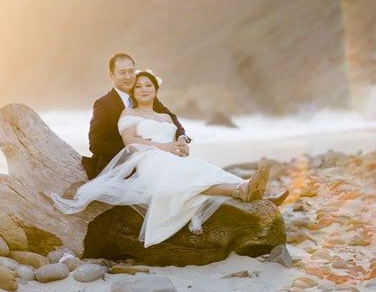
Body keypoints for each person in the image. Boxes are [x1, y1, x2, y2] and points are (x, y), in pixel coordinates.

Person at [52, 70, 275, 248]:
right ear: (133, 93)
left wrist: (182, 144)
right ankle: (241, 190)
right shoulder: (129, 114)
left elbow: (179, 132)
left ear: (155, 89)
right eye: (138, 86)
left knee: (203, 168)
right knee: (190, 174)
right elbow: (131, 143)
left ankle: (254, 193)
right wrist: (165, 147)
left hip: (172, 159)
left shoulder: (165, 115)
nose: (143, 89)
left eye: (148, 85)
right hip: (149, 160)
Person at [81, 53, 190, 179]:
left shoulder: (143, 94)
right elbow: (96, 144)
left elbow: (170, 117)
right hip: (119, 167)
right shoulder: (104, 104)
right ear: (111, 75)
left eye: (131, 71)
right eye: (122, 72)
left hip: (155, 160)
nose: (128, 77)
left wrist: (181, 138)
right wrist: (139, 146)